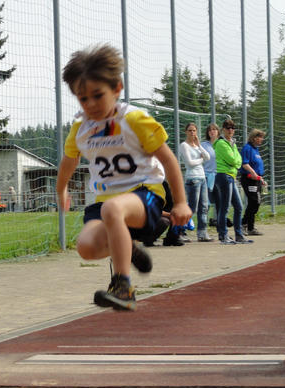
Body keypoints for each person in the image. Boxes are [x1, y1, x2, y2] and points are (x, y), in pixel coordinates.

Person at [56, 44, 191, 311]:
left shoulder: (134, 119)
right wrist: (61, 190)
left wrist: (181, 202)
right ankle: (128, 246)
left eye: (98, 95)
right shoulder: (81, 128)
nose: (91, 105)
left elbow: (168, 159)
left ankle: (123, 286)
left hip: (145, 194)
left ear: (117, 88)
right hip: (106, 201)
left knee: (113, 208)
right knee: (86, 247)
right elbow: (69, 161)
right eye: (83, 99)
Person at [213, 119, 252, 245]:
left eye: (232, 128)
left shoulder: (232, 143)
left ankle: (238, 235)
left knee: (239, 206)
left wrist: (236, 162)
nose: (230, 130)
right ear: (223, 129)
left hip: (231, 176)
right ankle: (223, 235)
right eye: (228, 128)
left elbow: (239, 160)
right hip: (224, 176)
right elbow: (232, 160)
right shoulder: (221, 144)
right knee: (224, 207)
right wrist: (236, 162)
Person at [179, 122, 212, 242]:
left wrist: (199, 145)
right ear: (186, 132)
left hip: (202, 177)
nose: (192, 133)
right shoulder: (184, 145)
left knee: (204, 207)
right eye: (190, 131)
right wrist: (201, 160)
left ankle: (202, 233)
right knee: (191, 207)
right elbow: (189, 163)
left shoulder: (197, 146)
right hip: (193, 178)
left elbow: (208, 157)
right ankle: (180, 231)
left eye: (194, 131)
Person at [240, 129, 266, 236]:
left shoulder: (256, 150)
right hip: (249, 179)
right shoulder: (247, 148)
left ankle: (250, 227)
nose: (262, 140)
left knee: (256, 203)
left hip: (257, 180)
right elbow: (244, 164)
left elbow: (257, 165)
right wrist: (253, 173)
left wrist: (261, 179)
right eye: (260, 137)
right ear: (254, 138)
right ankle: (243, 224)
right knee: (253, 201)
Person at [201, 123, 219, 227]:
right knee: (205, 201)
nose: (212, 131)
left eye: (214, 129)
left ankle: (215, 220)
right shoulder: (204, 145)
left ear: (218, 132)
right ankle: (203, 222)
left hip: (218, 175)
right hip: (206, 175)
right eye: (210, 130)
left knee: (218, 200)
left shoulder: (221, 144)